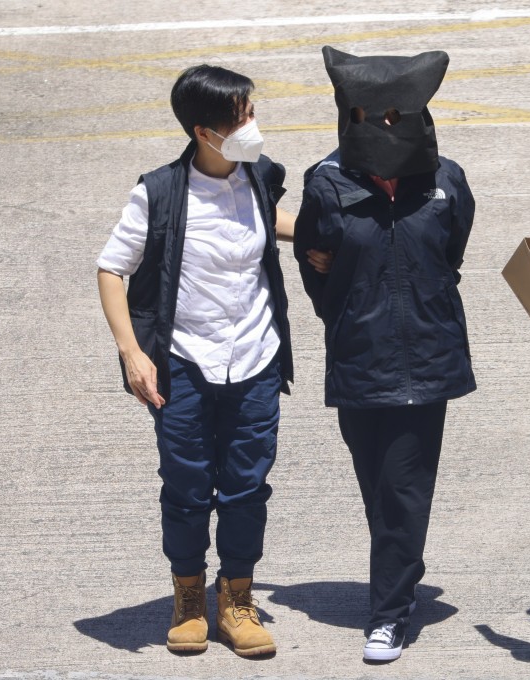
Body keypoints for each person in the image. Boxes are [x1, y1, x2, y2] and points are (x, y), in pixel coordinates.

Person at [96, 64, 295, 658]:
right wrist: (133, 353)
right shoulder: (158, 191)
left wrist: (329, 233)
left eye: (252, 111)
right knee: (186, 486)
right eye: (241, 118)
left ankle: (236, 599)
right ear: (204, 131)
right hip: (182, 362)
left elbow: (270, 223)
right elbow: (112, 268)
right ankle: (188, 597)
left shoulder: (260, 178)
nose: (252, 125)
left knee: (247, 487)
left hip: (256, 358)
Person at [294, 46, 476, 663]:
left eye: (401, 115)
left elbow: (450, 253)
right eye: (377, 115)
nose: (389, 127)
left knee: (403, 488)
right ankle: (403, 567)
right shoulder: (327, 183)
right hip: (359, 357)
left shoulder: (446, 182)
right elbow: (314, 263)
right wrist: (349, 309)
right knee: (378, 485)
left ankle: (389, 614)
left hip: (427, 362)